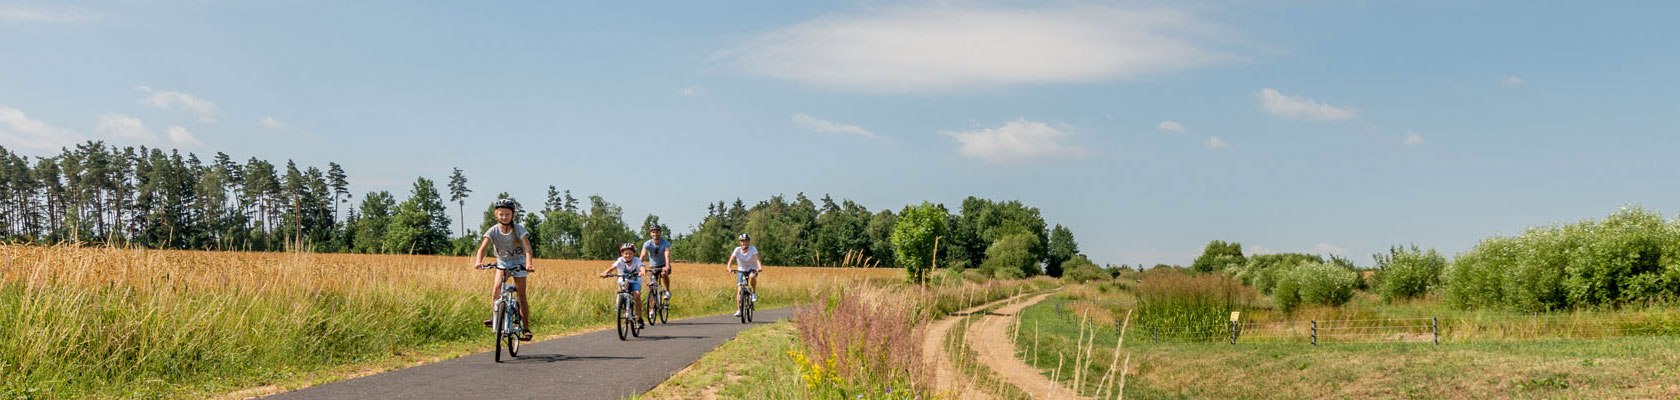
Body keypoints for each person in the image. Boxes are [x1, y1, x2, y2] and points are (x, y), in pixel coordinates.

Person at [472, 199, 536, 341]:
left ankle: (526, 329)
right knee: (496, 287)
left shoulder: (519, 229)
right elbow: (483, 248)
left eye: (507, 214)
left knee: (521, 294)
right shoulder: (493, 230)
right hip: (502, 262)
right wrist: (478, 261)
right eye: (501, 214)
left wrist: (529, 264)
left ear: (512, 215)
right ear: (496, 215)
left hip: (519, 262)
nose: (504, 217)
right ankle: (496, 316)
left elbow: (527, 248)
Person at [599, 243, 647, 329]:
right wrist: (606, 272)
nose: (628, 255)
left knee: (637, 295)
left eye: (630, 253)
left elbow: (641, 267)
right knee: (623, 287)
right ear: (622, 254)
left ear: (634, 254)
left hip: (635, 281)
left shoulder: (637, 260)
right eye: (626, 253)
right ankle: (621, 305)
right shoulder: (620, 260)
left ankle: (639, 319)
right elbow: (612, 267)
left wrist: (642, 271)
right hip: (623, 280)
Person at [723, 233, 762, 317]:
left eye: (746, 241)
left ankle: (754, 292)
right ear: (740, 242)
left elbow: (757, 259)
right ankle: (739, 310)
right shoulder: (737, 250)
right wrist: (728, 267)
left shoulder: (753, 249)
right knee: (739, 289)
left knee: (752, 276)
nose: (744, 243)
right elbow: (731, 259)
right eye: (742, 241)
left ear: (749, 242)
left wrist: (759, 267)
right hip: (741, 270)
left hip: (752, 268)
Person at [641, 226, 673, 300]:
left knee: (663, 274)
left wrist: (667, 266)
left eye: (657, 232)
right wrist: (638, 266)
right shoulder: (647, 243)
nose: (655, 234)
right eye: (653, 232)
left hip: (663, 265)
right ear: (650, 234)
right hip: (653, 266)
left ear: (660, 233)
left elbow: (667, 254)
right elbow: (643, 255)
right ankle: (652, 308)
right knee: (652, 286)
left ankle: (667, 291)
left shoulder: (665, 243)